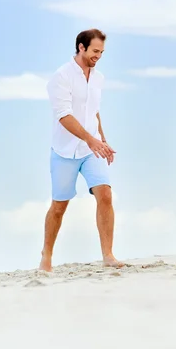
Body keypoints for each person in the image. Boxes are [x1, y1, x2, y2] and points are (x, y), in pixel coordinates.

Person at [39, 28, 123, 272]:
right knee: (59, 207)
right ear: (81, 47)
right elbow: (64, 116)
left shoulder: (99, 78)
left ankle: (108, 254)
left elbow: (93, 111)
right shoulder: (61, 77)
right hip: (65, 151)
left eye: (102, 52)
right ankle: (46, 255)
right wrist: (90, 139)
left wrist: (102, 141)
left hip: (91, 149)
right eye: (95, 51)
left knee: (105, 194)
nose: (99, 56)